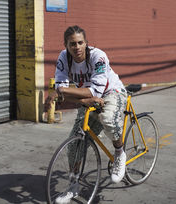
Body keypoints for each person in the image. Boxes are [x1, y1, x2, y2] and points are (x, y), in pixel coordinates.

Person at [45, 25, 127, 204]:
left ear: (86, 43)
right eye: (72, 43)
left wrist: (62, 92)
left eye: (80, 43)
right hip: (86, 96)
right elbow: (64, 88)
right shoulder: (63, 58)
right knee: (74, 145)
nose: (77, 47)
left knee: (107, 119)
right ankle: (73, 187)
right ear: (66, 45)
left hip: (111, 91)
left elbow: (93, 92)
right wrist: (70, 95)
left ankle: (120, 153)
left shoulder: (98, 57)